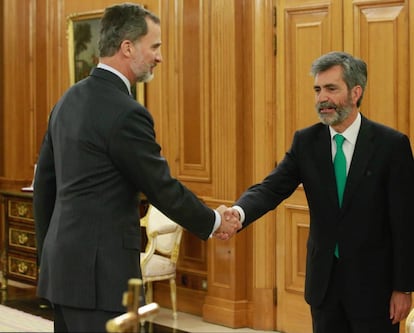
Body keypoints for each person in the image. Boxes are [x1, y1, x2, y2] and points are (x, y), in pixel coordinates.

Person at [33, 3, 240, 332]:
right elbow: (161, 187)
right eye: (155, 46)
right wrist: (214, 221)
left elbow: (44, 187)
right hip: (101, 280)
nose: (160, 57)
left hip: (63, 272)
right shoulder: (126, 112)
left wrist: (48, 257)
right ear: (127, 47)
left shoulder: (67, 100)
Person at [221, 51, 414, 333]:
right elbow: (272, 188)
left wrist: (403, 287)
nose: (322, 98)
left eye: (331, 89)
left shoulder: (391, 145)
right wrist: (238, 212)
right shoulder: (306, 142)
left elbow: (405, 221)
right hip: (324, 286)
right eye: (317, 89)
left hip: (375, 289)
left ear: (355, 92)